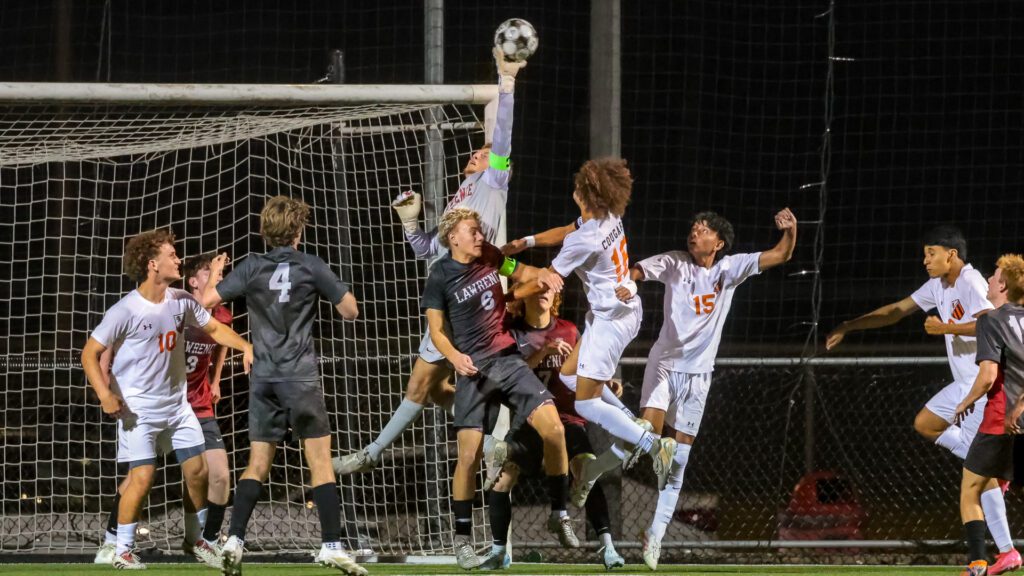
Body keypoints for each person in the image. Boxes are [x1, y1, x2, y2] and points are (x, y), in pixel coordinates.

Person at [333, 46, 527, 476]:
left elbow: (505, 137)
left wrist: (506, 82)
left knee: (422, 385)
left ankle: (373, 453)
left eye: (489, 153)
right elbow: (427, 251)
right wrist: (409, 224)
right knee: (435, 387)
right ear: (467, 164)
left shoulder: (493, 185)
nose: (486, 152)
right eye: (479, 151)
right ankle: (498, 432)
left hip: (472, 297)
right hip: (452, 291)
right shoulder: (458, 202)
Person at [826, 225, 1017, 568]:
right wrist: (849, 325)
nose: (925, 260)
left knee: (974, 480)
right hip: (962, 383)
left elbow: (989, 322)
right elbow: (897, 310)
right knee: (926, 424)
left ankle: (1004, 551)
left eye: (931, 254)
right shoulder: (937, 285)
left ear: (951, 255)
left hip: (981, 386)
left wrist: (946, 328)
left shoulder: (972, 282)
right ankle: (989, 472)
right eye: (925, 254)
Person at [622, 208, 796, 569]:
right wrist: (629, 281)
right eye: (693, 228)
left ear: (717, 243)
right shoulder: (675, 263)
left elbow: (781, 254)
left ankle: (655, 535)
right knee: (649, 434)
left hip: (699, 377)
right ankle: (620, 447)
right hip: (665, 364)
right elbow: (638, 269)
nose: (694, 233)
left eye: (702, 230)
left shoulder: (729, 269)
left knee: (678, 462)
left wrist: (791, 231)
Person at [200, 195, 364, 576]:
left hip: (263, 379)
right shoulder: (310, 265)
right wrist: (332, 289)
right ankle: (331, 545)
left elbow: (207, 299)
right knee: (320, 463)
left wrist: (215, 273)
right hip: (300, 377)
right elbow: (351, 310)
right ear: (298, 231)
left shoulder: (252, 266)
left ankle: (235, 540)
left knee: (257, 463)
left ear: (265, 231)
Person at [81, 229, 253, 569]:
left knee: (198, 471)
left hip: (177, 407)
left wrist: (246, 346)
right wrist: (104, 394)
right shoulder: (125, 309)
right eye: (171, 255)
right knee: (141, 479)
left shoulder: (181, 301)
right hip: (138, 410)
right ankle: (121, 549)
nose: (178, 259)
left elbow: (216, 330)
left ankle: (195, 542)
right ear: (152, 265)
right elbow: (90, 353)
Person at [509, 158, 677, 491]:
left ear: (586, 194)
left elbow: (547, 281)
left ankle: (653, 445)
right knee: (569, 375)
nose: (575, 186)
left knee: (585, 402)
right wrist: (525, 242)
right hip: (624, 312)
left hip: (611, 323)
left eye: (580, 184)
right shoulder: (608, 217)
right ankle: (631, 423)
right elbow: (565, 231)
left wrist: (510, 296)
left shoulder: (583, 241)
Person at [421, 206, 572, 568]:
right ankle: (461, 541)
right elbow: (437, 332)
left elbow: (521, 272)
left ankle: (559, 512)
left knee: (554, 430)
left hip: (508, 360)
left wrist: (545, 276)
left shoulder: (491, 257)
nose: (479, 236)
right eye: (472, 230)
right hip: (474, 369)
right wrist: (455, 358)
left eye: (479, 231)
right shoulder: (440, 275)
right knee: (469, 457)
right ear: (453, 236)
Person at [480, 284, 626, 570]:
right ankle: (498, 551)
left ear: (556, 298)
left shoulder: (570, 330)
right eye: (537, 290)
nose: (543, 293)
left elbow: (587, 367)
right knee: (502, 480)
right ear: (524, 299)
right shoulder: (514, 335)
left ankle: (608, 548)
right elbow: (510, 374)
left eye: (548, 290)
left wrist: (606, 383)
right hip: (530, 419)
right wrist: (542, 351)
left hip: (568, 420)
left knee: (587, 471)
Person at [954, 254, 1024, 576]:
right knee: (993, 484)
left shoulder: (991, 320)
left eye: (994, 277)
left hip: (999, 422)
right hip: (1021, 418)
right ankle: (1006, 554)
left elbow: (987, 377)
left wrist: (965, 402)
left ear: (1003, 285)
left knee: (971, 490)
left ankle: (978, 564)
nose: (990, 281)